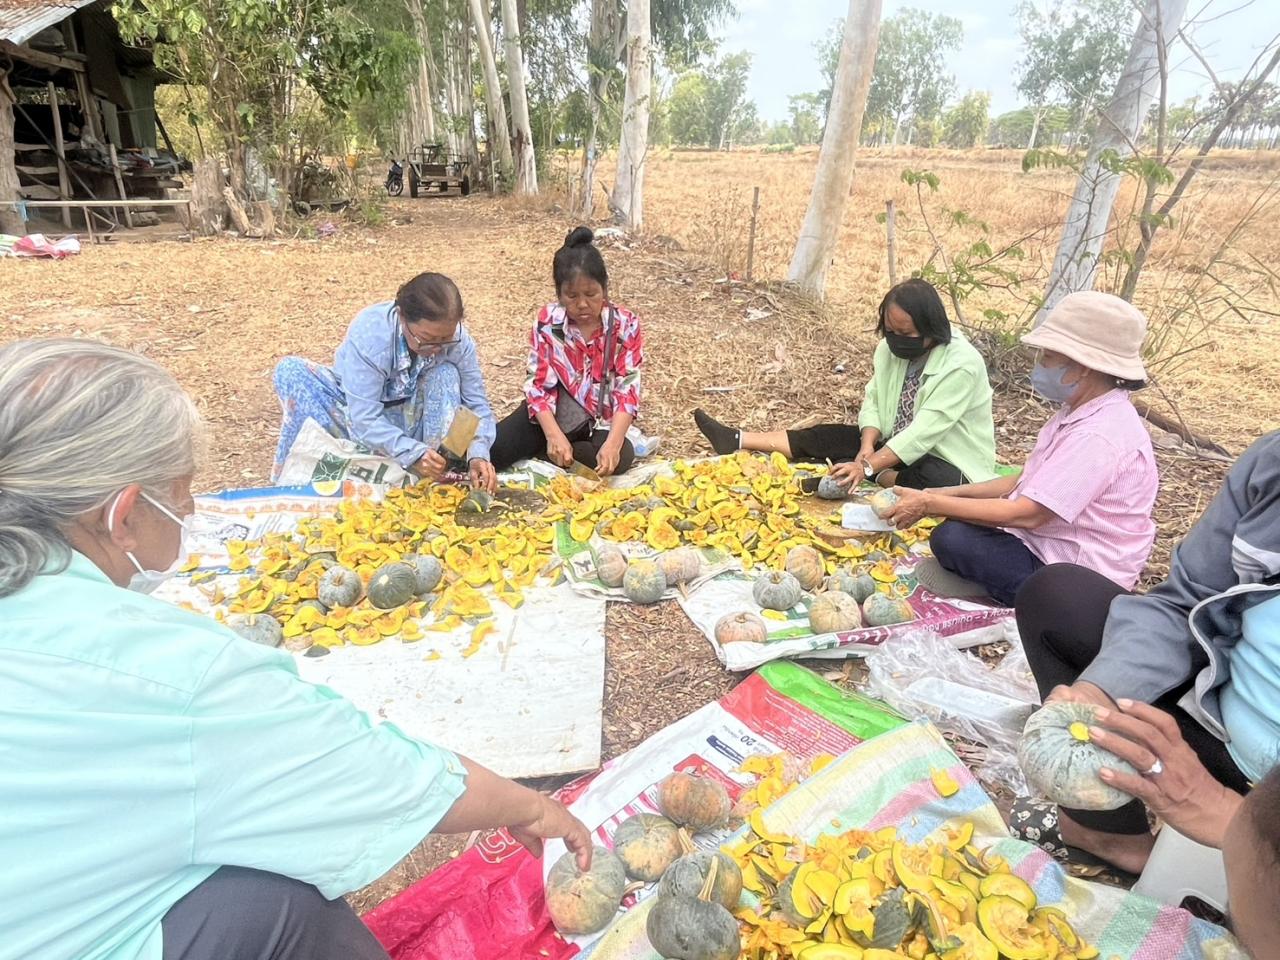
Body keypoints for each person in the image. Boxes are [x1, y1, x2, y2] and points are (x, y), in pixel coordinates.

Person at [0, 339, 591, 960]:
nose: (189, 510)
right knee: (276, 903)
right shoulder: (166, 672)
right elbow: (374, 773)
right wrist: (531, 809)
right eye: (180, 492)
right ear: (122, 516)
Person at [1012, 429, 1280, 877]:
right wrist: (1105, 688)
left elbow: (1031, 509)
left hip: (1264, 794)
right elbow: (1185, 601)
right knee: (1058, 596)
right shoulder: (1273, 462)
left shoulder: (1101, 436)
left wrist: (1226, 816)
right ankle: (1107, 836)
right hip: (1222, 724)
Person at [886, 291, 1158, 606]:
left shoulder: (1099, 436)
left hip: (1078, 576)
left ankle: (1007, 592)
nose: (1041, 365)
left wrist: (930, 503)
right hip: (1045, 545)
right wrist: (943, 494)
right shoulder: (1080, 413)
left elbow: (1029, 514)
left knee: (953, 539)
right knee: (957, 529)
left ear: (1083, 366)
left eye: (1049, 358)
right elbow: (1024, 481)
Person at [692, 278, 997, 490]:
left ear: (932, 329)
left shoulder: (961, 365)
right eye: (891, 332)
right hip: (892, 446)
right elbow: (874, 400)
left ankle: (874, 477)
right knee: (829, 436)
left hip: (946, 459)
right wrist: (866, 446)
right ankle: (737, 439)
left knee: (934, 480)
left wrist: (868, 467)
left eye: (907, 335)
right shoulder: (888, 350)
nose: (897, 341)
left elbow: (924, 433)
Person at [272, 272, 498, 493]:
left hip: (416, 419)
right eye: (427, 339)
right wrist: (410, 452)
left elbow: (476, 405)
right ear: (401, 316)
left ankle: (436, 468)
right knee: (291, 371)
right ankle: (398, 464)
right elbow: (365, 417)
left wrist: (478, 453)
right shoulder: (372, 334)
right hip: (358, 419)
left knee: (446, 374)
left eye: (445, 339)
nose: (437, 348)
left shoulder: (459, 340)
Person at [490, 227, 643, 477]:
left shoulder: (625, 325)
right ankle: (553, 448)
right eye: (571, 296)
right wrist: (553, 434)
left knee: (620, 457)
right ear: (559, 295)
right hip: (554, 414)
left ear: (604, 288)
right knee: (492, 453)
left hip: (598, 421)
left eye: (591, 294)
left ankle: (554, 453)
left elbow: (628, 390)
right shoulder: (548, 322)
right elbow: (537, 386)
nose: (582, 304)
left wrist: (612, 445)